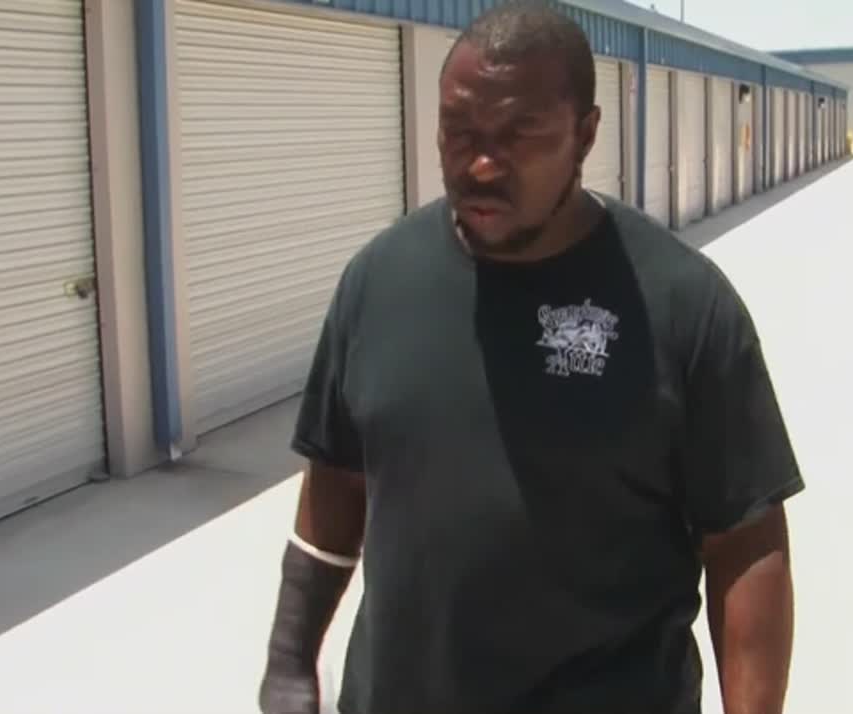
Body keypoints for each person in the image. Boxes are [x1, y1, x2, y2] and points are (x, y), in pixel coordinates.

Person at [258, 2, 804, 713]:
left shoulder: (682, 306)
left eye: (520, 133)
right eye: (459, 131)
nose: (482, 163)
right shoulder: (379, 281)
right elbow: (336, 480)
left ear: (585, 134)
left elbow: (745, 542)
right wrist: (289, 661)